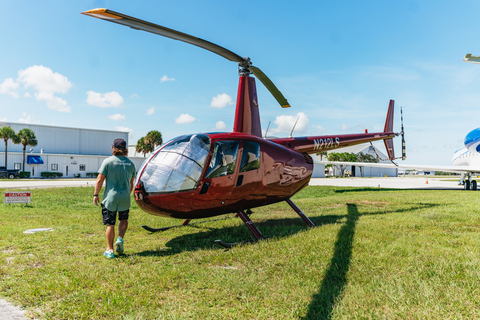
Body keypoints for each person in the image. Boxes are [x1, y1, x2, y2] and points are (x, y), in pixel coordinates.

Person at [93, 138, 136, 258]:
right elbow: (132, 182)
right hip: (125, 197)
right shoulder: (131, 164)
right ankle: (120, 239)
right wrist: (127, 193)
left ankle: (110, 250)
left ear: (114, 148)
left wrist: (96, 194)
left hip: (111, 198)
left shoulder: (108, 162)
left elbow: (100, 179)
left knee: (110, 224)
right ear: (125, 149)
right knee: (123, 219)